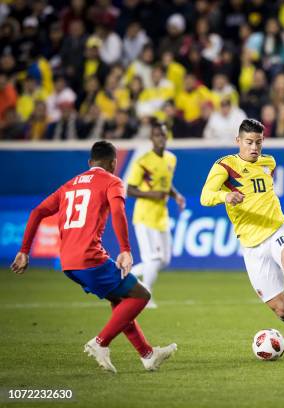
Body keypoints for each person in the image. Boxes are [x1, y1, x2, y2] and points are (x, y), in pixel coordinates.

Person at [11, 141, 176, 373]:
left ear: (90, 163)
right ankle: (101, 342)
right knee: (141, 295)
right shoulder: (112, 181)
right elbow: (118, 213)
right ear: (113, 163)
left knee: (120, 302)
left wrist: (24, 250)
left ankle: (147, 355)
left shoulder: (68, 185)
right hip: (90, 258)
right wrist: (125, 249)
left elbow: (37, 211)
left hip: (68, 262)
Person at [200, 119, 284, 354]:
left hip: (277, 228)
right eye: (249, 142)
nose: (254, 148)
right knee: (281, 310)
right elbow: (205, 196)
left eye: (258, 142)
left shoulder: (269, 162)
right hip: (251, 244)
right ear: (237, 141)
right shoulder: (225, 166)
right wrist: (225, 197)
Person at [127, 121, 185, 308]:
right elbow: (130, 189)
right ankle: (145, 295)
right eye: (156, 135)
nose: (160, 138)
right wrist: (152, 194)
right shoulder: (143, 162)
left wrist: (176, 195)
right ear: (151, 138)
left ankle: (128, 276)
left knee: (164, 260)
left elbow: (165, 184)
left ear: (166, 137)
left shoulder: (171, 159)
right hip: (144, 216)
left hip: (161, 215)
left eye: (163, 134)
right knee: (152, 258)